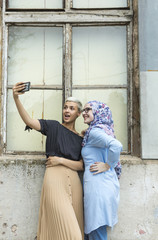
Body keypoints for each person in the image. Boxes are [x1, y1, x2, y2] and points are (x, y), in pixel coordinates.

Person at [13, 82, 84, 240]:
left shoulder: (81, 138)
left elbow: (81, 165)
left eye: (72, 108)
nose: (67, 110)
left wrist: (59, 160)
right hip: (54, 181)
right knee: (72, 235)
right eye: (65, 107)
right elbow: (29, 122)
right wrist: (16, 98)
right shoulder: (53, 126)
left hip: (75, 184)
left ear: (79, 113)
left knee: (78, 229)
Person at [81, 100, 122, 240]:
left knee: (96, 230)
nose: (84, 113)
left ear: (98, 112)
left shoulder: (95, 131)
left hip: (98, 187)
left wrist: (107, 165)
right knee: (94, 231)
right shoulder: (99, 130)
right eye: (84, 110)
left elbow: (116, 146)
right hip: (102, 185)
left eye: (88, 109)